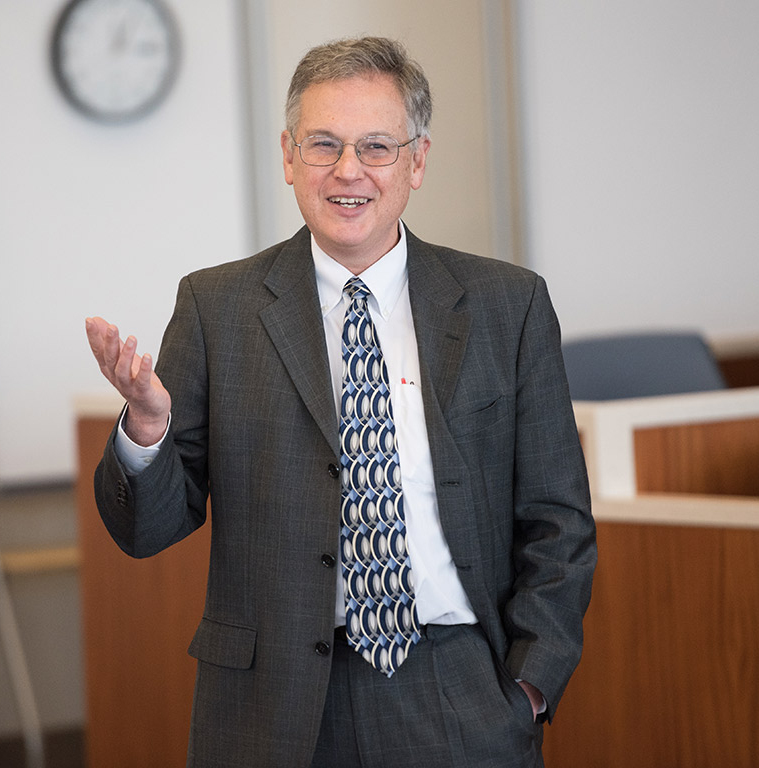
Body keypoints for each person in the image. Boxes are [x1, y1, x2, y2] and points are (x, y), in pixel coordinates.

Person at [85, 36, 595, 768]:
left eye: (376, 147)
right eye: (323, 145)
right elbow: (148, 529)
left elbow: (558, 519)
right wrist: (146, 427)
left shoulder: (505, 305)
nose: (348, 171)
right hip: (271, 709)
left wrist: (529, 687)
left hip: (458, 692)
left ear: (416, 161)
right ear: (289, 157)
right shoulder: (217, 307)